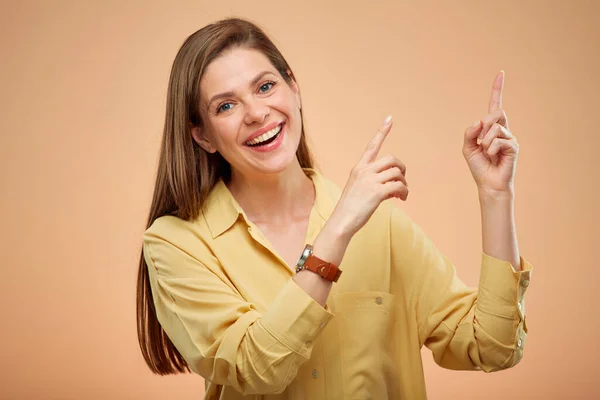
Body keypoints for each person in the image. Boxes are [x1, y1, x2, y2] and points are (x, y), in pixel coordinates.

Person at [136, 17, 533, 399]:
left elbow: (492, 346)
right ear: (203, 136)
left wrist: (496, 196)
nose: (256, 113)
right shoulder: (174, 243)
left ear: (294, 88)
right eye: (226, 106)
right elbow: (256, 367)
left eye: (266, 86)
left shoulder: (383, 226)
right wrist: (339, 228)